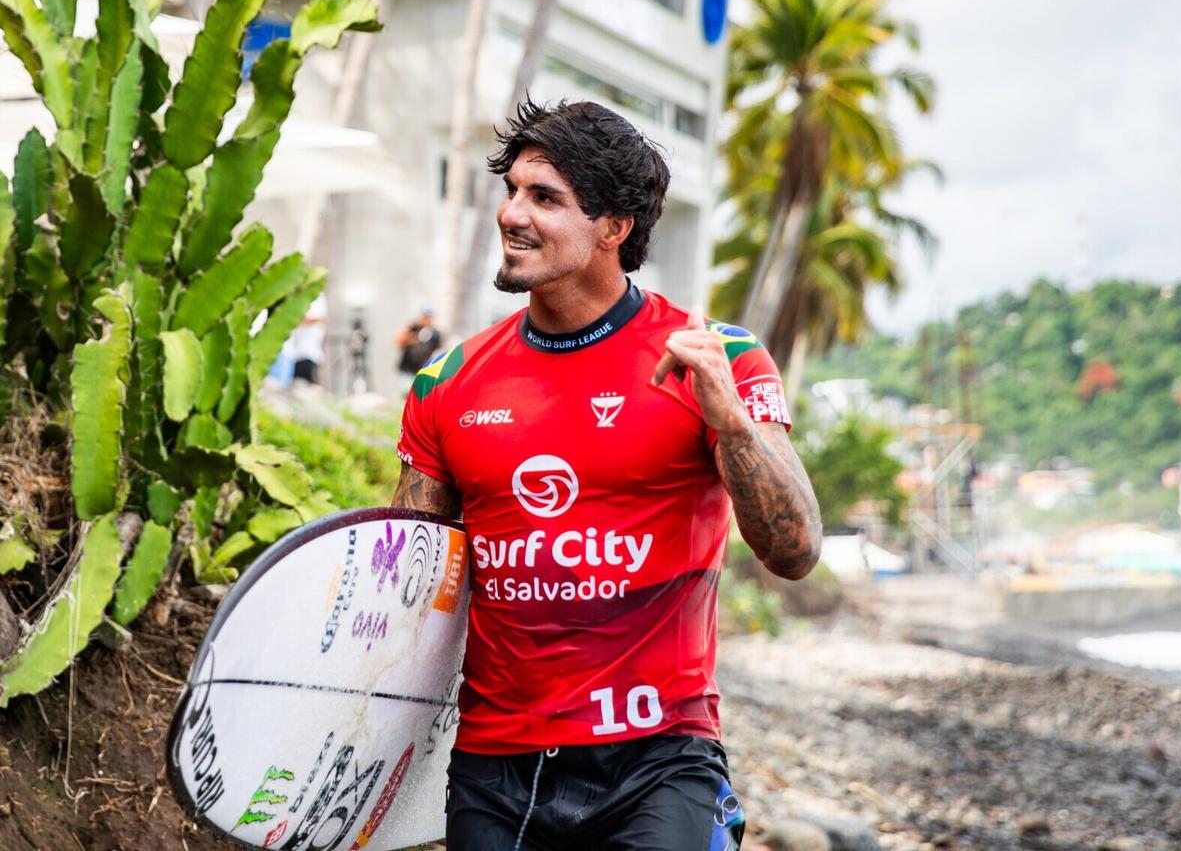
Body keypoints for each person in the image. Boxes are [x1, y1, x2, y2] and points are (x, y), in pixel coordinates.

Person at [390, 100, 821, 850]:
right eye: (513, 190)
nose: (512, 214)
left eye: (545, 198)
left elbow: (795, 550)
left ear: (613, 228)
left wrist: (730, 420)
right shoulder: (447, 384)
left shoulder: (717, 358)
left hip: (657, 758)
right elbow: (409, 593)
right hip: (494, 768)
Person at [283, 295, 327, 388]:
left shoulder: (317, 298)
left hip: (309, 353)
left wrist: (294, 320)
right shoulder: (300, 297)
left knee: (305, 385)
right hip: (297, 354)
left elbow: (319, 318)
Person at [395, 307, 446, 385]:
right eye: (424, 317)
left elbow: (439, 351)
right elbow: (398, 343)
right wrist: (411, 336)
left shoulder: (435, 334)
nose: (426, 320)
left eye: (428, 317)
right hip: (407, 368)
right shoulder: (412, 328)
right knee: (404, 392)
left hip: (423, 370)